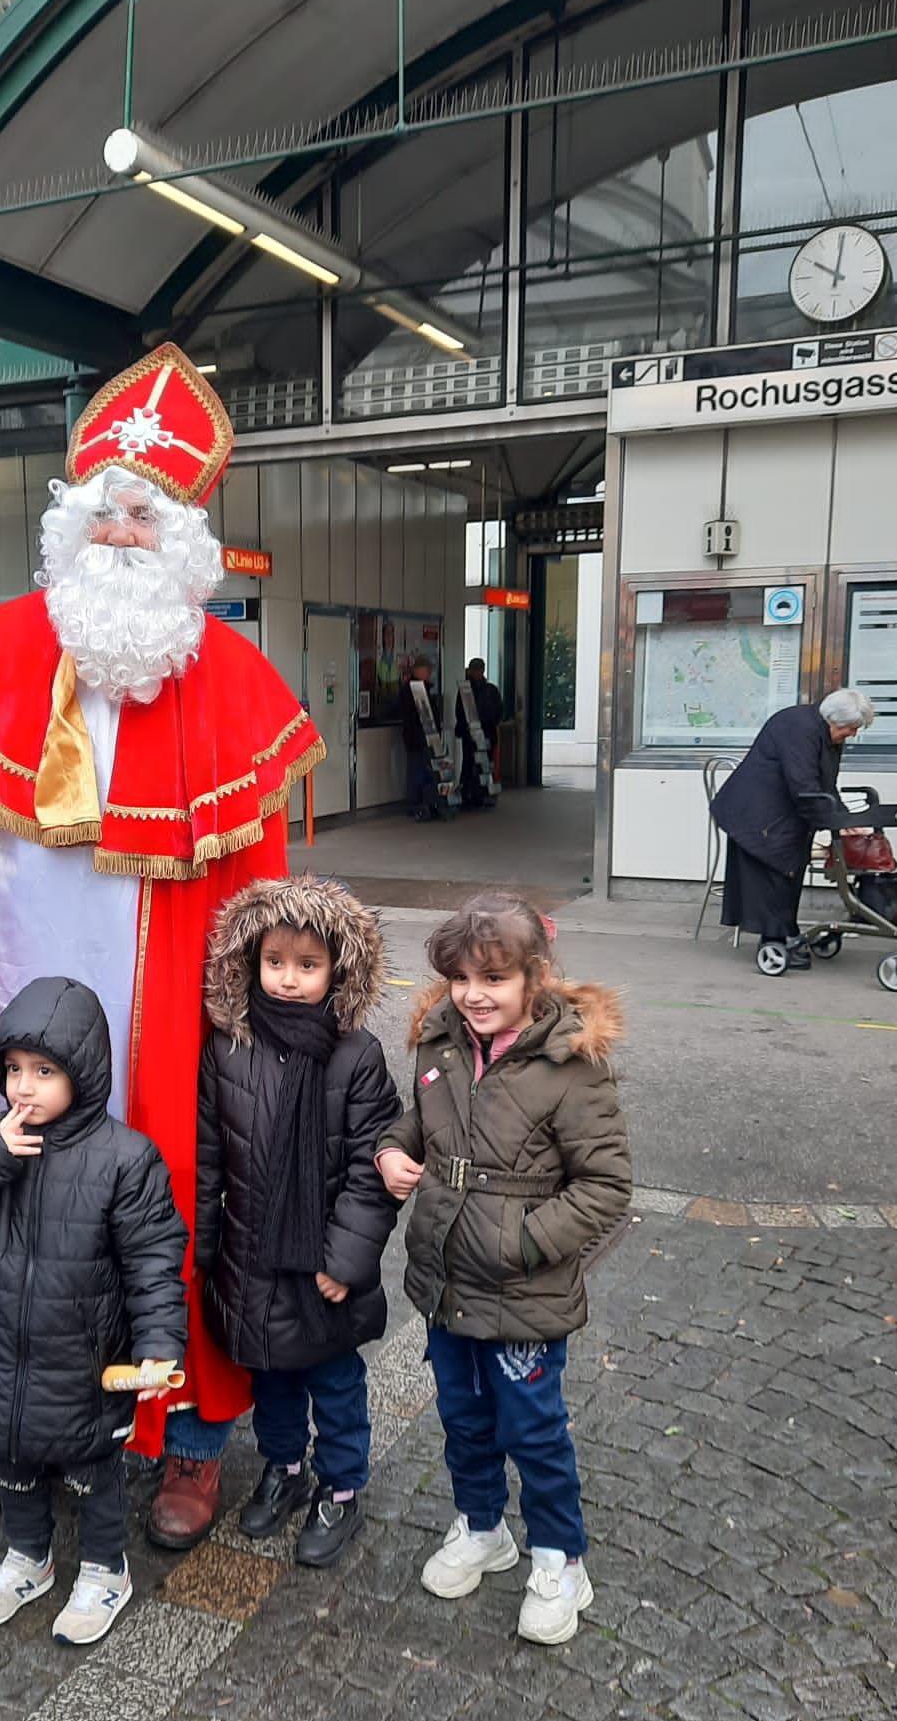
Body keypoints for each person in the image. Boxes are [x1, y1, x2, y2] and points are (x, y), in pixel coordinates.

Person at [0, 346, 324, 1553]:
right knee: (23, 1219)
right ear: (71, 519)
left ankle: (191, 1443)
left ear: (189, 537)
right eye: (108, 509)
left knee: (177, 1231)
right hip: (17, 1014)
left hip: (172, 1033)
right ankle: (17, 1426)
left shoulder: (236, 682)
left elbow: (265, 904)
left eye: (149, 514)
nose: (125, 531)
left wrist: (274, 1037)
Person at [375, 892, 631, 1645]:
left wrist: (519, 1244)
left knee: (535, 1431)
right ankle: (483, 1528)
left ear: (534, 977)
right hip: (445, 1281)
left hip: (524, 1290)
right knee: (464, 1420)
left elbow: (606, 1188)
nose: (473, 995)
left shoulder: (571, 1068)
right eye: (460, 978)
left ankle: (560, 1559)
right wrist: (394, 1151)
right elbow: (415, 1123)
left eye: (493, 978)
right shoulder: (439, 1044)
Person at [0, 978, 186, 1644]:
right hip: (3, 1349)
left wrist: (158, 1344)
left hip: (83, 1354)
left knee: (94, 1469)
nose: (23, 1087)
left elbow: (154, 1257)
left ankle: (104, 1569)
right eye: (12, 1070)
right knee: (12, 1459)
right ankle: (27, 1558)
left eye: (43, 1071)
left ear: (84, 1072)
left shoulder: (126, 1159)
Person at [196, 876, 400, 1568]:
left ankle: (341, 1485)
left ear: (337, 970)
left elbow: (372, 1174)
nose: (287, 980)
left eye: (307, 966)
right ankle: (284, 1466)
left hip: (323, 1265)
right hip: (251, 1259)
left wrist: (345, 1263)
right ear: (249, 963)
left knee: (334, 1383)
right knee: (272, 1379)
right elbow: (207, 1159)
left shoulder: (356, 1056)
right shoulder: (226, 1049)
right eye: (274, 963)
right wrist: (197, 1250)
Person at [710, 688, 874, 968]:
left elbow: (825, 784)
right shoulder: (798, 729)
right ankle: (774, 940)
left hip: (777, 807)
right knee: (776, 865)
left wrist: (844, 820)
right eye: (851, 728)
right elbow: (804, 785)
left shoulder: (825, 731)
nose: (853, 734)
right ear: (833, 720)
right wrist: (835, 822)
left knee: (790, 865)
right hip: (757, 812)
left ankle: (785, 934)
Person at [397, 656, 442, 820]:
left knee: (425, 771)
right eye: (428, 670)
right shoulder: (410, 690)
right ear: (419, 670)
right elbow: (410, 716)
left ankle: (426, 802)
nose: (430, 674)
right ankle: (415, 805)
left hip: (426, 737)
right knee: (416, 771)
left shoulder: (425, 689)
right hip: (416, 738)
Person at [455, 658, 502, 809]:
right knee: (469, 764)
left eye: (478, 670)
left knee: (484, 765)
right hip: (471, 734)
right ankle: (468, 794)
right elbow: (460, 712)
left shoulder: (490, 690)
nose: (476, 673)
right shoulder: (466, 690)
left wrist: (488, 725)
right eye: (474, 670)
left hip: (486, 733)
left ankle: (482, 794)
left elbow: (498, 711)